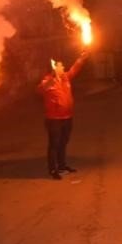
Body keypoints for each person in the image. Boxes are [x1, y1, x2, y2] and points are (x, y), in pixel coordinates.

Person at [38, 52, 89, 180]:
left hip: (67, 117)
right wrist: (49, 82)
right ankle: (53, 169)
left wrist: (82, 58)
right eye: (60, 66)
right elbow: (39, 89)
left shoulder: (65, 77)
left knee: (63, 143)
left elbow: (75, 69)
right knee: (54, 145)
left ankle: (62, 166)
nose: (63, 67)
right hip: (54, 120)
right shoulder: (47, 80)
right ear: (54, 68)